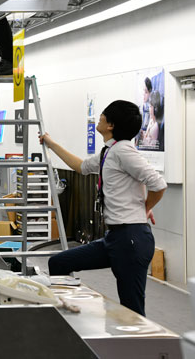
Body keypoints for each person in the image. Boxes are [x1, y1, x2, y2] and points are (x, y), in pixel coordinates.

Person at [40, 100, 167, 316]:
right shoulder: (109, 152)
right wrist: (50, 144)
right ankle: (67, 316)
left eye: (104, 114)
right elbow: (80, 166)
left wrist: (144, 209)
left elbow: (158, 184)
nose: (99, 116)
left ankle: (137, 339)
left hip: (130, 239)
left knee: (132, 310)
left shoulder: (123, 151)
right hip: (115, 238)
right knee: (59, 263)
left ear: (111, 125)